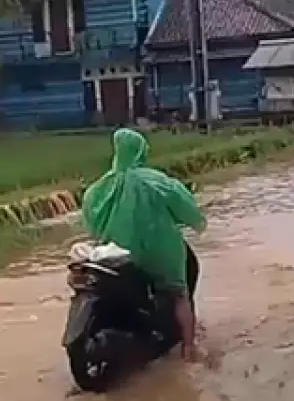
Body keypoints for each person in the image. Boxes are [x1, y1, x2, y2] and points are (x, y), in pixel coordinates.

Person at [82, 128, 206, 361]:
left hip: (117, 255)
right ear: (141, 151)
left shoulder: (99, 188)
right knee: (179, 294)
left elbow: (89, 216)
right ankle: (189, 349)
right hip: (160, 253)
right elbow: (186, 207)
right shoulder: (157, 181)